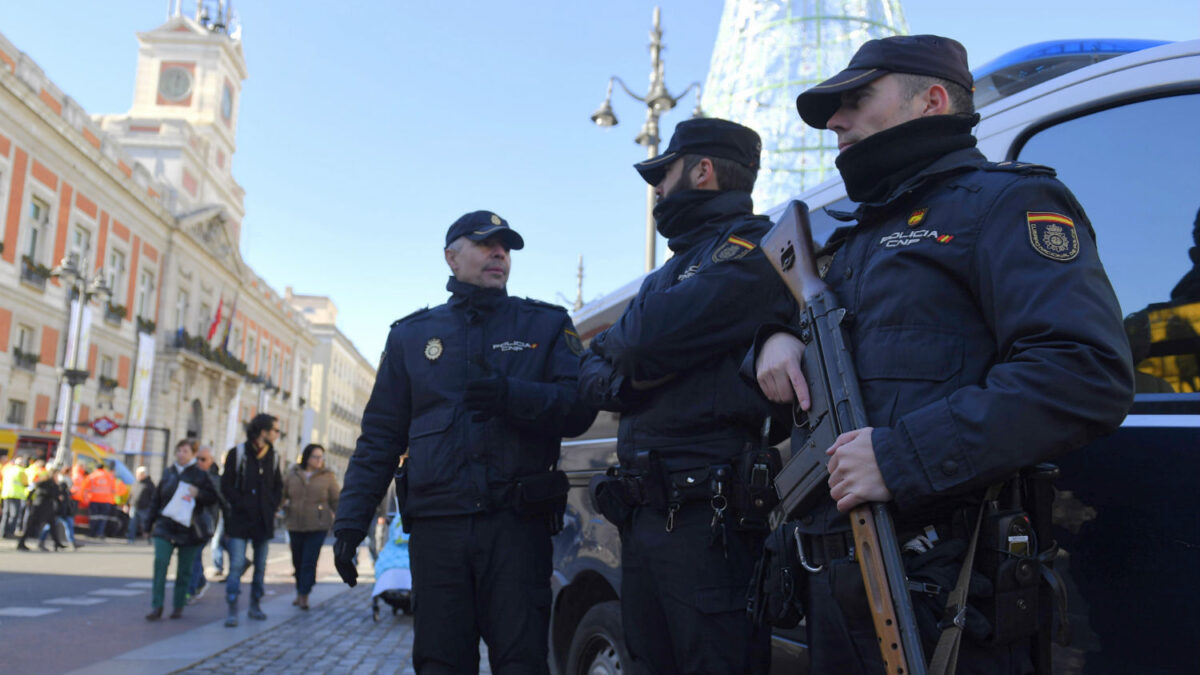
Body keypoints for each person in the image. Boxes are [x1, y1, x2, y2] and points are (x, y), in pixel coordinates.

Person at [750, 35, 1134, 674]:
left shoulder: (1006, 203)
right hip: (836, 579)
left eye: (855, 99)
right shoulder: (855, 238)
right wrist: (773, 337)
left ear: (931, 100)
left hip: (945, 589)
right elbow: (829, 343)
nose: (836, 121)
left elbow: (1083, 370)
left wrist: (901, 458)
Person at [334, 210, 595, 674]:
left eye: (506, 247)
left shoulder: (546, 325)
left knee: (521, 662)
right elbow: (379, 439)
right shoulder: (411, 337)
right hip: (439, 534)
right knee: (440, 663)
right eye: (486, 244)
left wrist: (511, 396)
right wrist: (350, 522)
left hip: (517, 531)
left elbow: (579, 407)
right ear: (451, 257)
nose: (500, 253)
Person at [577, 118, 794, 675]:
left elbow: (638, 341)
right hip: (645, 518)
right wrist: (633, 364)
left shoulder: (756, 249)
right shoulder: (667, 274)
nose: (655, 189)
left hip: (709, 523)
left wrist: (631, 356)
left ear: (701, 171)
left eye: (663, 172)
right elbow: (597, 370)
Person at [144, 440, 221, 620]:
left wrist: (199, 494)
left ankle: (178, 605)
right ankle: (157, 605)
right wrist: (148, 525)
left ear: (192, 454)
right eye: (178, 451)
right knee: (160, 563)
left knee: (184, 569)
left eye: (185, 451)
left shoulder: (200, 475)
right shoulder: (169, 473)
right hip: (165, 526)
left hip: (190, 529)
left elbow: (213, 499)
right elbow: (156, 500)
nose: (181, 454)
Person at [221, 413, 283, 627]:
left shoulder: (273, 457)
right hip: (239, 520)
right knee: (237, 564)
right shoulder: (237, 454)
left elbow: (278, 487)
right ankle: (232, 607)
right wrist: (240, 503)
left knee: (260, 565)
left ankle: (255, 604)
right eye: (275, 430)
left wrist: (272, 505)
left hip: (263, 521)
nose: (277, 434)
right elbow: (226, 485)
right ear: (263, 432)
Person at [282, 443, 339, 610]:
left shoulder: (328, 476)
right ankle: (300, 590)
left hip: (318, 525)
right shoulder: (293, 475)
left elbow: (336, 499)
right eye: (316, 456)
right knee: (297, 560)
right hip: (295, 524)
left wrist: (342, 518)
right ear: (307, 457)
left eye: (322, 457)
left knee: (309, 560)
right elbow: (282, 494)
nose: (319, 460)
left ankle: (304, 595)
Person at [186, 446, 222, 602]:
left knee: (194, 555)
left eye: (203, 459)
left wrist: (199, 493)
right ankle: (200, 581)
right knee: (194, 555)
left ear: (211, 460)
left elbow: (217, 499)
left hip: (205, 523)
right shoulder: (191, 474)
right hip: (189, 522)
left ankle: (191, 590)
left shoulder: (214, 478)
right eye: (197, 459)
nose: (199, 462)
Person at [16, 460, 65, 552]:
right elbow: (53, 494)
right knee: (32, 525)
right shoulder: (49, 483)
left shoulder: (45, 482)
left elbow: (32, 490)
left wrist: (29, 499)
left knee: (52, 525)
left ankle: (57, 543)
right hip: (41, 507)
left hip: (43, 506)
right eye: (57, 475)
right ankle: (22, 542)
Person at [39, 467, 80, 550]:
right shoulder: (55, 486)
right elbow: (55, 497)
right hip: (58, 511)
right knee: (50, 527)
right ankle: (43, 542)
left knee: (68, 526)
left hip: (65, 511)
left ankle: (70, 543)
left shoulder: (63, 487)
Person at [82, 462, 116, 539]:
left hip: (94, 500)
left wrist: (85, 499)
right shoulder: (109, 476)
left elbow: (85, 489)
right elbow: (113, 490)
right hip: (106, 501)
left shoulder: (92, 476)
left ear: (96, 468)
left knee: (94, 517)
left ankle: (92, 533)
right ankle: (100, 533)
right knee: (103, 518)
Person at [1, 456, 29, 538]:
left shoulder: (8, 470)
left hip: (6, 494)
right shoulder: (21, 471)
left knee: (5, 514)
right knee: (14, 515)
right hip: (16, 495)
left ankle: (2, 532)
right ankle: (10, 532)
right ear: (21, 464)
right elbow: (25, 483)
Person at [127, 466, 154, 543]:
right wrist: (127, 504)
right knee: (132, 524)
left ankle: (149, 539)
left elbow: (153, 496)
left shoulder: (149, 484)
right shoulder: (136, 483)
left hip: (145, 508)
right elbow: (131, 494)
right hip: (134, 507)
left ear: (144, 474)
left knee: (146, 525)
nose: (137, 475)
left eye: (139, 474)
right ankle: (130, 539)